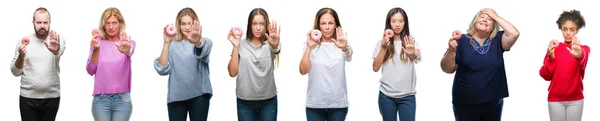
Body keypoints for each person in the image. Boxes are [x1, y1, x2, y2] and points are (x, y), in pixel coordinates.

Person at [440, 8, 519, 121]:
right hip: (465, 101)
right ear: (475, 21)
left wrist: (496, 16)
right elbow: (447, 69)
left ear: (494, 26)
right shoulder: (460, 39)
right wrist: (452, 50)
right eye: (482, 17)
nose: (485, 19)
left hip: (493, 101)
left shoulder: (498, 39)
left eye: (490, 19)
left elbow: (514, 33)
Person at [154, 7, 213, 121]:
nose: (187, 27)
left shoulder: (204, 42)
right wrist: (166, 43)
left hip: (199, 96)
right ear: (178, 25)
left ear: (195, 24)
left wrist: (197, 42)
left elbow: (204, 50)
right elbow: (162, 69)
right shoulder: (173, 45)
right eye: (183, 24)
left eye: (190, 23)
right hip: (177, 97)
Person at [10, 7, 66, 121]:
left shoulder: (56, 39)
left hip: (52, 97)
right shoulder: (23, 43)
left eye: (45, 22)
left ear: (50, 22)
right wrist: (21, 56)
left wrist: (55, 49)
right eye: (39, 22)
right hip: (28, 98)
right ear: (33, 23)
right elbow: (15, 72)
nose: (42, 26)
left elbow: (60, 51)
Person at [227, 8, 281, 121]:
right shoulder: (241, 44)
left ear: (266, 25)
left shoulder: (271, 43)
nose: (258, 28)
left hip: (268, 100)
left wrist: (275, 45)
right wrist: (236, 47)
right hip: (245, 101)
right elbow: (232, 72)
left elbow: (276, 49)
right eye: (254, 24)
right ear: (249, 25)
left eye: (261, 24)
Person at [299, 7, 352, 121]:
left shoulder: (342, 43)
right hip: (315, 104)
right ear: (318, 26)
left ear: (336, 24)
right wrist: (308, 48)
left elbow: (349, 56)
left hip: (338, 104)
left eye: (330, 23)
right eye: (323, 23)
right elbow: (303, 71)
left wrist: (344, 48)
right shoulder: (311, 45)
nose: (327, 27)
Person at [539, 9, 590, 121]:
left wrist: (579, 54)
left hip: (576, 100)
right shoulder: (554, 48)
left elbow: (583, 60)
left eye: (572, 29)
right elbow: (545, 75)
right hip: (555, 100)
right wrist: (551, 58)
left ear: (577, 30)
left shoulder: (584, 49)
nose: (567, 33)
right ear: (561, 29)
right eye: (564, 29)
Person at [86, 7, 136, 121]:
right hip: (101, 100)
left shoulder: (127, 43)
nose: (111, 27)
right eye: (107, 23)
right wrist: (96, 49)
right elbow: (90, 70)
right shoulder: (97, 43)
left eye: (114, 22)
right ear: (103, 25)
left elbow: (130, 50)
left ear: (120, 24)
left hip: (122, 100)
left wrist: (127, 49)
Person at [372, 7, 421, 121]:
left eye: (401, 21)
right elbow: (375, 68)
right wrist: (384, 47)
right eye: (393, 21)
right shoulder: (381, 43)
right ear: (389, 23)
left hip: (408, 96)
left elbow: (417, 57)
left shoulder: (411, 42)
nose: (397, 25)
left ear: (405, 23)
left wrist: (412, 53)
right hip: (386, 96)